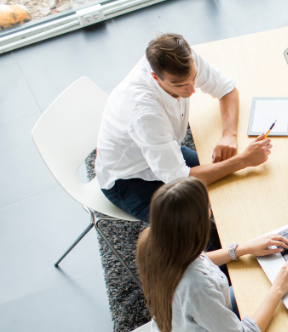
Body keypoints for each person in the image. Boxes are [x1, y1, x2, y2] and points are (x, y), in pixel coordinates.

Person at [137, 177, 288, 332]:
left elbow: (197, 260)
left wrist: (243, 249)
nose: (210, 212)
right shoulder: (197, 287)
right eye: (207, 208)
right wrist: (278, 289)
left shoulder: (153, 241)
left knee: (255, 293)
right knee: (285, 318)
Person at [96, 33, 272, 222]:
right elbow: (178, 179)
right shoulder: (145, 113)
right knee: (201, 235)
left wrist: (229, 134)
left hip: (166, 148)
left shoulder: (184, 58)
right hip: (128, 179)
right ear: (155, 77)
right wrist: (243, 160)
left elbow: (227, 89)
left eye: (193, 78)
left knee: (229, 184)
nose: (191, 90)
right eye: (180, 85)